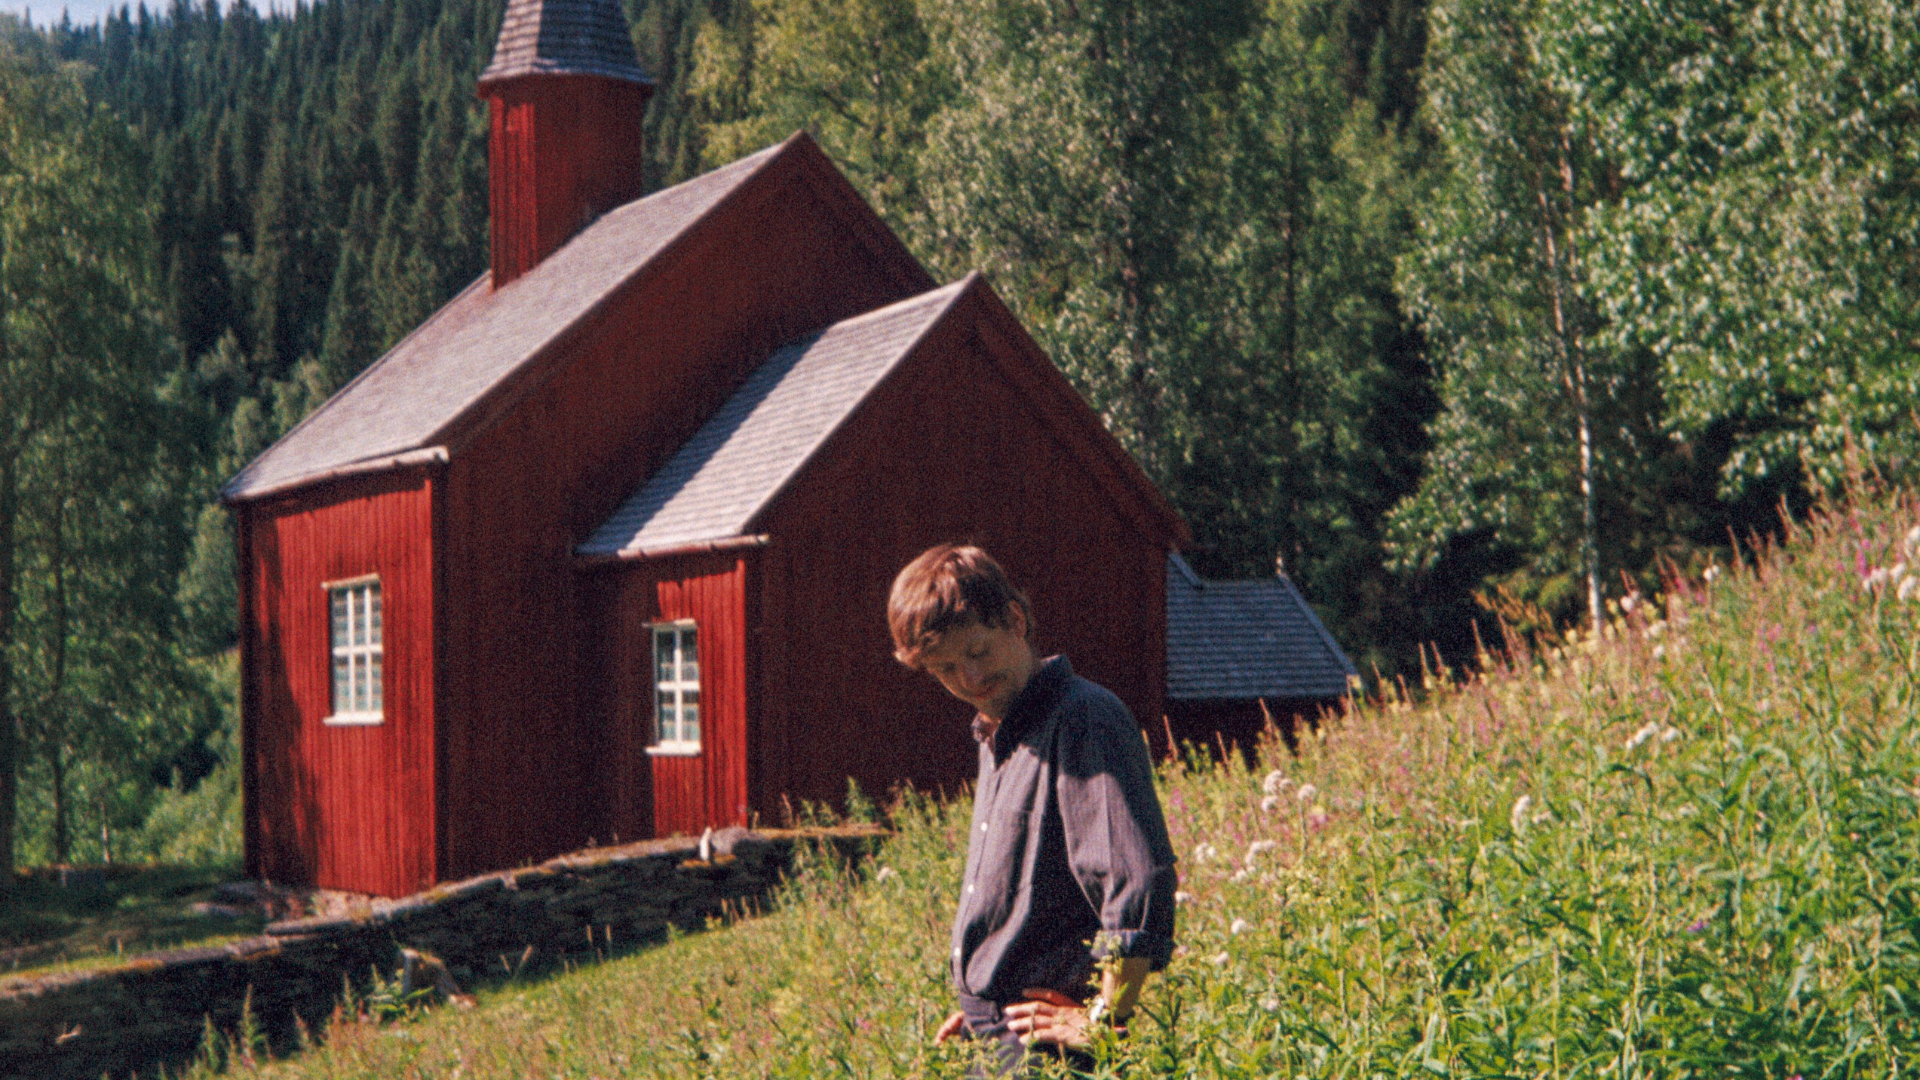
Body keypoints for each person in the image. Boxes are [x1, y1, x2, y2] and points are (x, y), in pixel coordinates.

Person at [887, 544, 1177, 1074]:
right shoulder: (1000, 733)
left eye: (977, 652)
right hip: (1000, 1036)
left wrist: (1104, 1020)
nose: (969, 679)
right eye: (946, 667)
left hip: (1049, 1050)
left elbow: (1135, 881)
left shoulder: (1081, 719)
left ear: (1015, 620)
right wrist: (981, 1005)